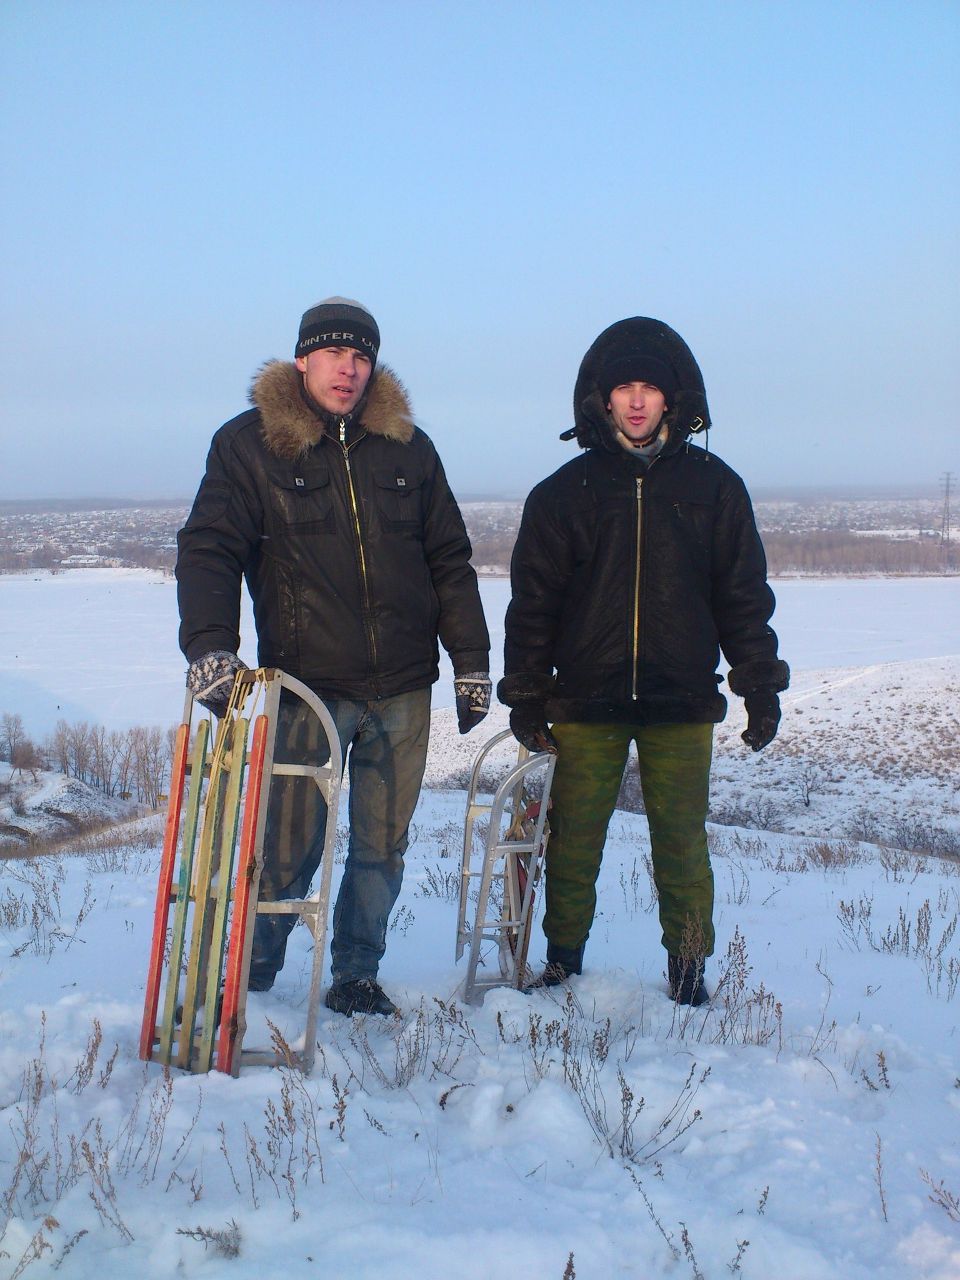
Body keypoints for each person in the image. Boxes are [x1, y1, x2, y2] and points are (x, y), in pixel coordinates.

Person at [176, 297, 490, 1016]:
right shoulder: (251, 446)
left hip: (404, 687)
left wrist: (470, 659)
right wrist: (210, 646)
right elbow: (210, 548)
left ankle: (356, 973)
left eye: (360, 356)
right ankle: (252, 973)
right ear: (302, 360)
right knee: (288, 844)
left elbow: (449, 559)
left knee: (383, 845)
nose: (347, 369)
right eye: (332, 354)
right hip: (307, 688)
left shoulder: (409, 448)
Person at [498, 316, 788, 1005]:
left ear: (672, 399)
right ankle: (563, 964)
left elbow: (742, 596)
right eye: (624, 387)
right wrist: (528, 694)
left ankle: (688, 973)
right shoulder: (563, 493)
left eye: (650, 388)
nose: (636, 400)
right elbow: (534, 604)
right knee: (573, 842)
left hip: (680, 699)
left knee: (682, 844)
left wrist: (759, 685)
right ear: (602, 399)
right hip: (585, 700)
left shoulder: (715, 488)